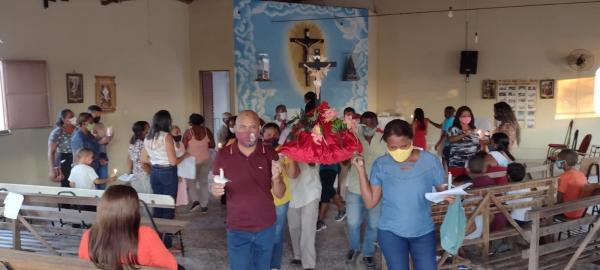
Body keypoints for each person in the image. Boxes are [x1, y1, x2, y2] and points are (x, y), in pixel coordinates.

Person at [352, 119, 452, 270]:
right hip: (391, 232)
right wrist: (360, 170)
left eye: (404, 146)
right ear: (386, 145)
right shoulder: (381, 164)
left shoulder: (430, 161)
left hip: (423, 231)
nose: (399, 150)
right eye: (393, 147)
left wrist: (448, 195)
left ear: (411, 140)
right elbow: (370, 202)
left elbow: (441, 190)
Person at [210, 110, 285, 270]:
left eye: (252, 127)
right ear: (235, 129)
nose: (248, 132)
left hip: (266, 226)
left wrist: (277, 178)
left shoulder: (270, 154)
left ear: (259, 130)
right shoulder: (223, 155)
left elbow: (280, 193)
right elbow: (215, 185)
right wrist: (214, 190)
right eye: (242, 127)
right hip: (237, 227)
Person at [78, 185, 179, 270]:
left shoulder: (89, 235)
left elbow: (84, 262)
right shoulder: (147, 234)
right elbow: (171, 266)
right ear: (134, 210)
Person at [344, 111, 386, 269]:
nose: (368, 126)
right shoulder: (352, 138)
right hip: (355, 188)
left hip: (376, 190)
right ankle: (354, 248)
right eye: (365, 123)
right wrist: (346, 156)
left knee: (374, 224)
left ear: (377, 124)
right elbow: (344, 164)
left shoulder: (383, 139)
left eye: (371, 123)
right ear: (359, 123)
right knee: (353, 222)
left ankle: (368, 253)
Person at [261, 123, 297, 270]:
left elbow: (293, 175)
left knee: (277, 233)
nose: (271, 137)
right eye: (268, 135)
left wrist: (291, 155)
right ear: (262, 136)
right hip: (260, 201)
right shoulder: (256, 151)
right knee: (260, 232)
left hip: (280, 200)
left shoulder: (283, 151)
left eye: (275, 135)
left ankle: (274, 265)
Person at [142, 110, 188, 219]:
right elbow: (173, 162)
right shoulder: (166, 136)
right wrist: (184, 156)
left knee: (158, 204)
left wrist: (155, 159)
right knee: (168, 204)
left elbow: (143, 158)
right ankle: (167, 235)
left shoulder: (148, 136)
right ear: (167, 122)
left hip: (155, 172)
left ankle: (157, 233)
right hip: (168, 172)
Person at [287, 162, 321, 270]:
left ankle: (308, 264)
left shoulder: (314, 145)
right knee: (294, 226)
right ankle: (298, 255)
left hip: (311, 191)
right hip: (291, 191)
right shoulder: (284, 145)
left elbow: (312, 163)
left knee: (308, 229)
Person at [183, 113, 215, 214]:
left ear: (191, 122)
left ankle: (196, 201)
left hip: (192, 161)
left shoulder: (188, 132)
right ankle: (204, 206)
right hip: (205, 159)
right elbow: (212, 144)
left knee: (191, 182)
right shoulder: (207, 130)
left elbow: (183, 146)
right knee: (203, 182)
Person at [48, 109, 76, 187]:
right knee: (67, 185)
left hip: (78, 158)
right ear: (63, 119)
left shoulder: (77, 128)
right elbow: (51, 152)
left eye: (74, 116)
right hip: (64, 160)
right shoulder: (57, 132)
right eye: (71, 117)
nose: (74, 118)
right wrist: (51, 169)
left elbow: (92, 130)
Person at [448, 106, 480, 172]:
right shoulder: (453, 129)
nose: (467, 117)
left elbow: (478, 144)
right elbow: (451, 140)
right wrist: (464, 134)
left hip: (473, 165)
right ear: (458, 117)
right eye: (464, 116)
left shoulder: (474, 130)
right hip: (457, 163)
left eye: (469, 116)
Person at [557, 149, 587, 219]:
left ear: (564, 163)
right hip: (581, 211)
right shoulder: (581, 174)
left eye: (558, 160)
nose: (557, 162)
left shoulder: (564, 177)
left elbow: (559, 199)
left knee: (544, 207)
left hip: (568, 212)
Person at [88, 105, 113, 190]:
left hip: (103, 155)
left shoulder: (101, 125)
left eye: (99, 114)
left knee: (103, 180)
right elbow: (91, 140)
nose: (98, 116)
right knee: (93, 182)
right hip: (92, 157)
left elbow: (105, 141)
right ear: (90, 113)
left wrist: (109, 137)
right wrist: (100, 140)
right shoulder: (87, 126)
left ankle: (101, 200)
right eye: (96, 113)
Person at [316, 163, 346, 232]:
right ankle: (342, 209)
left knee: (326, 190)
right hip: (322, 168)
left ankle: (320, 220)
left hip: (332, 167)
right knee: (328, 188)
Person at [71, 112, 101, 178]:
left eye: (93, 123)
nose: (93, 125)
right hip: (84, 171)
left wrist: (98, 160)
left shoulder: (90, 134)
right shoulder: (78, 137)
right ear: (83, 124)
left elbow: (95, 148)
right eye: (90, 123)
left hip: (93, 167)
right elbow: (79, 157)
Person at [128, 121, 152, 194]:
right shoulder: (143, 144)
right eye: (148, 128)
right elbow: (143, 163)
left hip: (135, 175)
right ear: (142, 131)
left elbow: (130, 158)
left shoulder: (132, 143)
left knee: (138, 199)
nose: (150, 130)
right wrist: (150, 172)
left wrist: (130, 171)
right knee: (147, 199)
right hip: (144, 176)